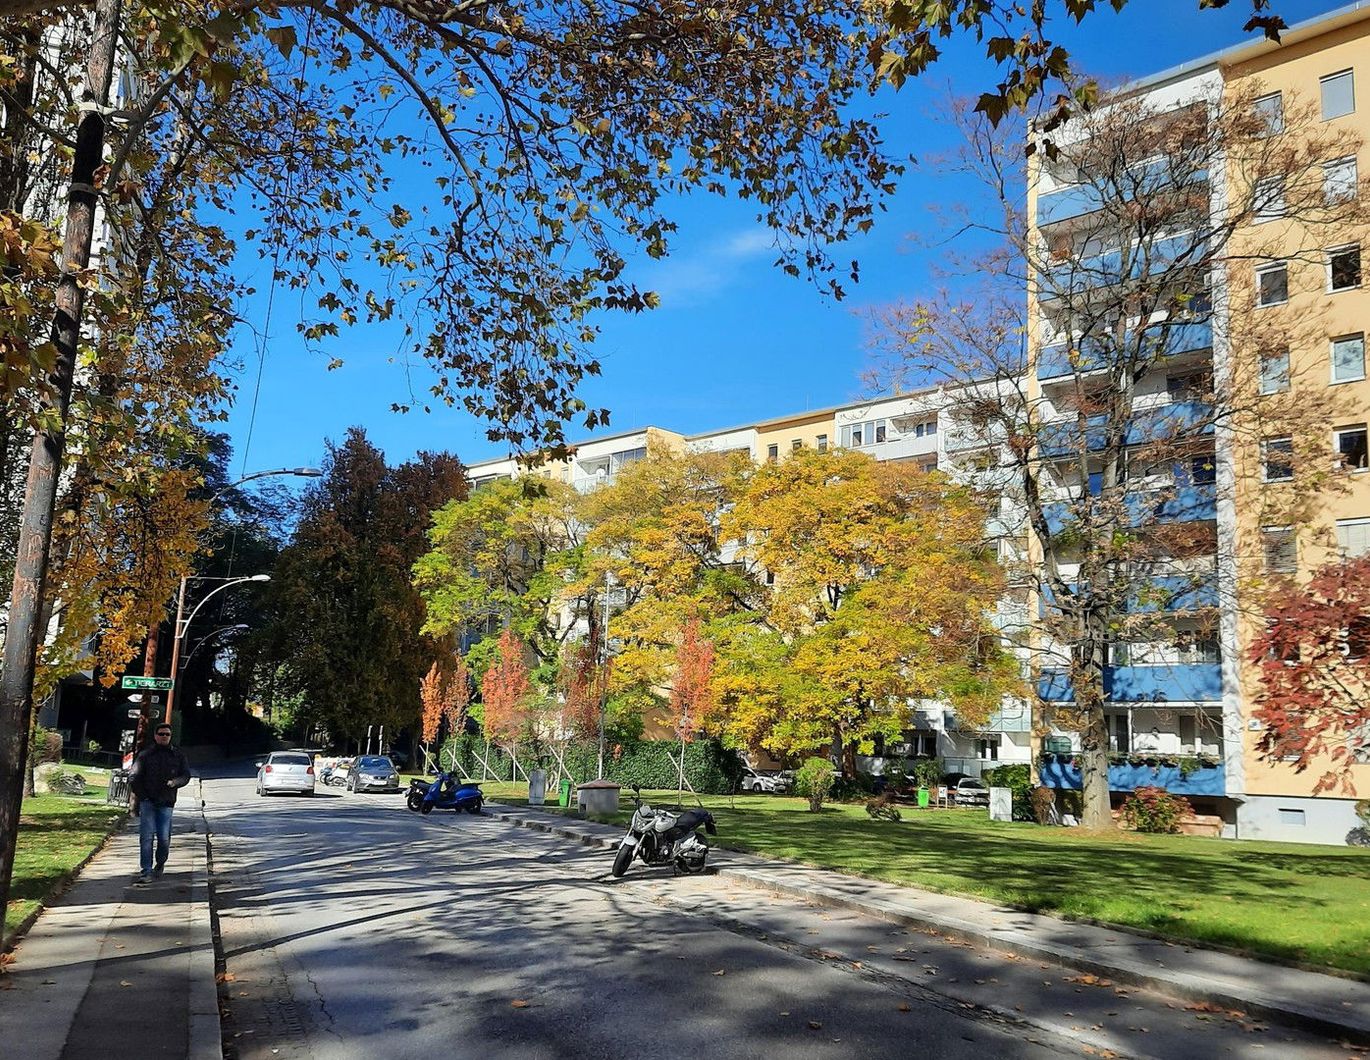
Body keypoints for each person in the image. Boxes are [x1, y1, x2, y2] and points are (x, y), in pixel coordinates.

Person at [127, 723, 192, 884]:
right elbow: (134, 776)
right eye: (161, 734)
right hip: (148, 801)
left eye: (167, 734)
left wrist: (175, 782)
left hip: (167, 802)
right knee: (146, 837)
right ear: (155, 736)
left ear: (170, 736)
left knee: (164, 839)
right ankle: (146, 871)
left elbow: (186, 775)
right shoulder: (146, 755)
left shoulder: (178, 755)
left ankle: (160, 863)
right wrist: (142, 795)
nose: (164, 737)